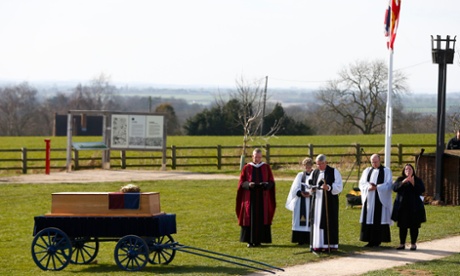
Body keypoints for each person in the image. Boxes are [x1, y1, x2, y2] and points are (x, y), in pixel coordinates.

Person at [236, 148, 276, 247]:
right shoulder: (247, 167)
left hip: (263, 197)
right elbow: (241, 182)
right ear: (252, 156)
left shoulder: (266, 167)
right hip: (250, 197)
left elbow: (271, 181)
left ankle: (259, 241)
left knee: (262, 218)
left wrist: (266, 185)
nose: (257, 159)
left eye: (259, 157)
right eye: (255, 157)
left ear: (261, 157)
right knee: (250, 218)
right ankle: (250, 241)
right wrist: (249, 185)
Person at [306, 154, 343, 252]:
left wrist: (329, 187)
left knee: (328, 221)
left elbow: (339, 186)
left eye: (321, 164)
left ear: (325, 162)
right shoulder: (314, 172)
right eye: (317, 164)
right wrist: (311, 189)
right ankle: (317, 244)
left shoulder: (333, 172)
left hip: (329, 201)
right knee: (317, 221)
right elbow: (308, 183)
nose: (319, 166)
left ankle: (330, 245)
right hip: (317, 201)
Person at [358, 154, 393, 248]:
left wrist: (377, 187)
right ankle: (369, 240)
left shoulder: (386, 171)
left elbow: (389, 184)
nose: (374, 164)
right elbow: (361, 183)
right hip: (369, 198)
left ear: (379, 160)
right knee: (369, 218)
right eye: (372, 162)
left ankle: (378, 240)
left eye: (376, 162)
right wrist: (369, 187)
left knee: (378, 217)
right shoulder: (367, 171)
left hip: (380, 199)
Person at [391, 164, 426, 251]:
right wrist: (403, 182)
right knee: (402, 226)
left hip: (414, 207)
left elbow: (421, 190)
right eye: (406, 169)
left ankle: (413, 244)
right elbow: (394, 188)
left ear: (413, 170)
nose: (408, 171)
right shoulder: (400, 179)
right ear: (404, 171)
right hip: (402, 207)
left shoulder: (417, 180)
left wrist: (413, 183)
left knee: (414, 227)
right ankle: (402, 244)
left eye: (410, 169)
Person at [285, 157, 314, 246]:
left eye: (309, 166)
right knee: (299, 220)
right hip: (301, 201)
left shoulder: (315, 174)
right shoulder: (300, 175)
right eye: (305, 166)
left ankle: (311, 239)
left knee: (311, 219)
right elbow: (294, 188)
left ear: (312, 166)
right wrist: (300, 193)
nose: (307, 168)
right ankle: (300, 239)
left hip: (312, 200)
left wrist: (311, 193)